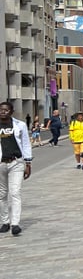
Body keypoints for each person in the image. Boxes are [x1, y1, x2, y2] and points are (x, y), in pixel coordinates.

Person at [0, 101, 33, 236]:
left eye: (6, 110)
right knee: (2, 194)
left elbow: (25, 143)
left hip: (16, 162)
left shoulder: (20, 125)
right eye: (1, 110)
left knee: (15, 192)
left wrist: (28, 162)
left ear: (11, 112)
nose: (3, 112)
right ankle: (5, 222)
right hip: (1, 163)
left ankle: (15, 224)